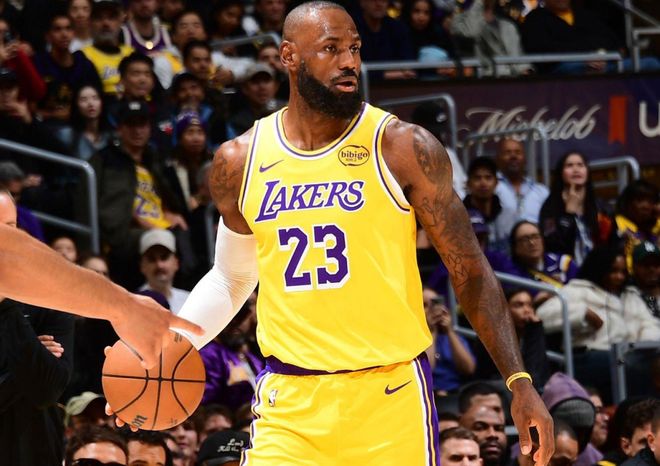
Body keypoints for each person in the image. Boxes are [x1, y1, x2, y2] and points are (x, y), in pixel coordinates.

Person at [173, 2, 553, 465]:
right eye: (330, 49)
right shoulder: (239, 160)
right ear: (289, 56)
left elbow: (470, 271)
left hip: (389, 398)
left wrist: (519, 381)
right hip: (290, 401)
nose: (349, 62)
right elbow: (231, 279)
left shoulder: (403, 148)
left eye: (354, 48)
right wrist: (173, 348)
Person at [537, 247, 660, 403]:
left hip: (623, 356)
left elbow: (648, 324)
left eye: (623, 272)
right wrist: (583, 313)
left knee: (651, 364)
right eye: (613, 271)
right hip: (586, 357)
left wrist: (644, 346)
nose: (619, 277)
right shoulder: (579, 289)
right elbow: (543, 316)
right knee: (631, 368)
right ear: (600, 268)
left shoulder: (629, 295)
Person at [539, 151, 610, 266]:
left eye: (580, 165)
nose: (576, 170)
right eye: (569, 165)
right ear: (561, 173)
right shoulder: (550, 206)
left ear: (587, 171)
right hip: (565, 269)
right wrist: (569, 213)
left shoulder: (599, 205)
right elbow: (552, 244)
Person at [473, 288, 550, 391]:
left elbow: (536, 373)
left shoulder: (532, 333)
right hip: (496, 389)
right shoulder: (492, 334)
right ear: (505, 309)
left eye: (530, 305)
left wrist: (536, 330)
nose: (527, 310)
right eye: (519, 305)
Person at [423, 286, 476, 394]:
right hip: (427, 393)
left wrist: (449, 331)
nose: (431, 310)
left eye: (434, 304)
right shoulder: (413, 339)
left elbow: (469, 368)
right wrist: (432, 331)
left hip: (455, 392)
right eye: (425, 305)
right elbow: (425, 371)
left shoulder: (452, 336)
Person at [463, 156, 517, 253]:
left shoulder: (508, 214)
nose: (483, 183)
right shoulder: (458, 217)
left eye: (488, 178)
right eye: (477, 178)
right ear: (468, 183)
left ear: (496, 183)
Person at [495, 138, 549, 229]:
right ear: (498, 158)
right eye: (507, 152)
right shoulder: (490, 188)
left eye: (518, 152)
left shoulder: (541, 191)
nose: (513, 156)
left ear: (525, 159)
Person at [82, 0, 133, 95]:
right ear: (90, 23)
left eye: (111, 18)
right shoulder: (82, 57)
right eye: (99, 18)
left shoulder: (132, 55)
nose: (105, 23)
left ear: (120, 22)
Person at [138, 229, 190, 313]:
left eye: (164, 257)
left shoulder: (189, 301)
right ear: (142, 266)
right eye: (152, 259)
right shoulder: (134, 303)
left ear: (176, 263)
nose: (159, 265)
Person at [624, 241, 660, 320]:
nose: (652, 269)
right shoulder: (625, 295)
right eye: (646, 265)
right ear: (634, 267)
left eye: (656, 264)